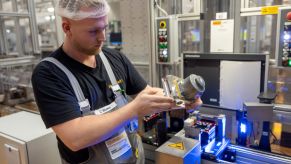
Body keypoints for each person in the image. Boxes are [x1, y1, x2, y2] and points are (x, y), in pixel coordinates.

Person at [31, 0, 202, 163]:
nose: (102, 37)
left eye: (104, 28)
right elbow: (75, 137)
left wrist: (181, 98)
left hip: (132, 158)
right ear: (67, 27)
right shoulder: (49, 74)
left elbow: (146, 93)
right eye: (93, 31)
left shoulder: (113, 58)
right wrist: (133, 110)